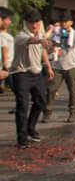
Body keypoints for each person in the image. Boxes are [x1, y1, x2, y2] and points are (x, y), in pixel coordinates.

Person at [10, 10, 53, 148]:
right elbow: (32, 41)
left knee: (42, 101)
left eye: (36, 22)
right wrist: (40, 39)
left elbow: (42, 51)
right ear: (26, 23)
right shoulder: (21, 36)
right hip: (21, 73)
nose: (34, 24)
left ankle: (30, 126)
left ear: (40, 23)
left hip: (37, 73)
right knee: (22, 105)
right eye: (31, 22)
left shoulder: (40, 36)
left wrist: (48, 67)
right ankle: (22, 139)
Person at [44, 13, 75, 123]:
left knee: (72, 91)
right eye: (62, 21)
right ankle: (47, 112)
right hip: (57, 65)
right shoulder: (56, 33)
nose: (63, 24)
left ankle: (73, 112)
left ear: (71, 23)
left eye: (66, 21)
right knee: (51, 89)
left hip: (71, 65)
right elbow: (46, 41)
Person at [0, 7, 14, 94]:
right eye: (8, 19)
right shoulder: (2, 36)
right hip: (7, 67)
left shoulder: (5, 35)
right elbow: (4, 49)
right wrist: (5, 66)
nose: (9, 22)